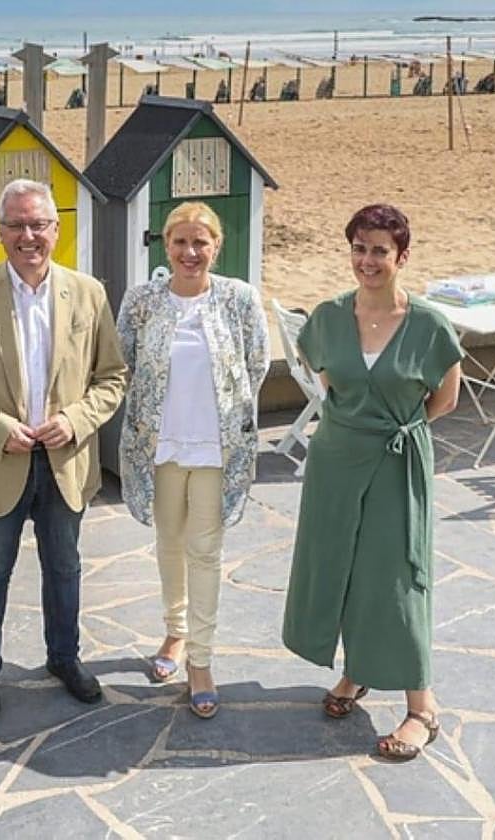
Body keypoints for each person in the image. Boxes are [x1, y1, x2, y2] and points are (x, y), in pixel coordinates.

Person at [0, 178, 127, 721]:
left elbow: (111, 377)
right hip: (0, 460)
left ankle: (64, 658)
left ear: (56, 229)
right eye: (16, 224)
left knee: (65, 567)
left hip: (65, 461)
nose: (28, 235)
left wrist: (75, 419)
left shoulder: (88, 293)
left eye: (38, 224)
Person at [282, 204, 462, 761]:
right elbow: (331, 380)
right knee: (340, 564)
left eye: (380, 250)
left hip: (396, 462)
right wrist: (360, 423)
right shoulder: (329, 316)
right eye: (360, 248)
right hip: (336, 460)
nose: (368, 260)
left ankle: (422, 706)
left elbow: (445, 399)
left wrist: (391, 430)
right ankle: (356, 673)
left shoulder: (430, 324)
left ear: (401, 256)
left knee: (398, 576)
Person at [116, 201, 269, 719]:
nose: (190, 252)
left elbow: (256, 365)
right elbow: (125, 362)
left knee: (206, 551)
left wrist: (229, 421)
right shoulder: (141, 302)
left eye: (200, 242)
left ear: (216, 247)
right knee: (169, 544)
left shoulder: (239, 300)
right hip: (159, 449)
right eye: (180, 242)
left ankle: (200, 660)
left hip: (214, 450)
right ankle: (175, 632)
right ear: (166, 246)